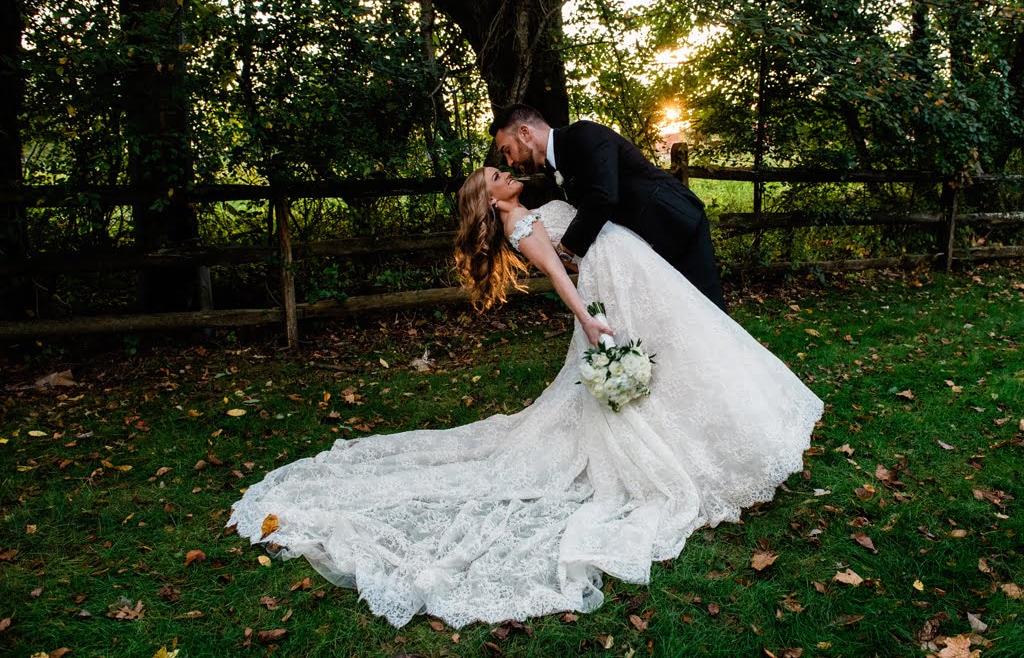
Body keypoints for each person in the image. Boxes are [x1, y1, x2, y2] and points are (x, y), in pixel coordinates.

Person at [227, 167, 823, 630]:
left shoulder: (532, 208)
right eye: (495, 179)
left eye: (500, 171)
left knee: (691, 350)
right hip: (610, 286)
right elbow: (564, 274)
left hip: (634, 273)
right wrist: (589, 321)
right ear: (490, 201)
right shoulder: (520, 226)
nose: (504, 175)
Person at [491, 103, 727, 312]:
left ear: (524, 133)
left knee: (707, 307)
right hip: (644, 241)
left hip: (674, 223)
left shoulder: (584, 135)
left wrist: (565, 248)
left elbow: (603, 196)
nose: (510, 162)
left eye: (507, 150)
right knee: (677, 310)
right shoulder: (553, 167)